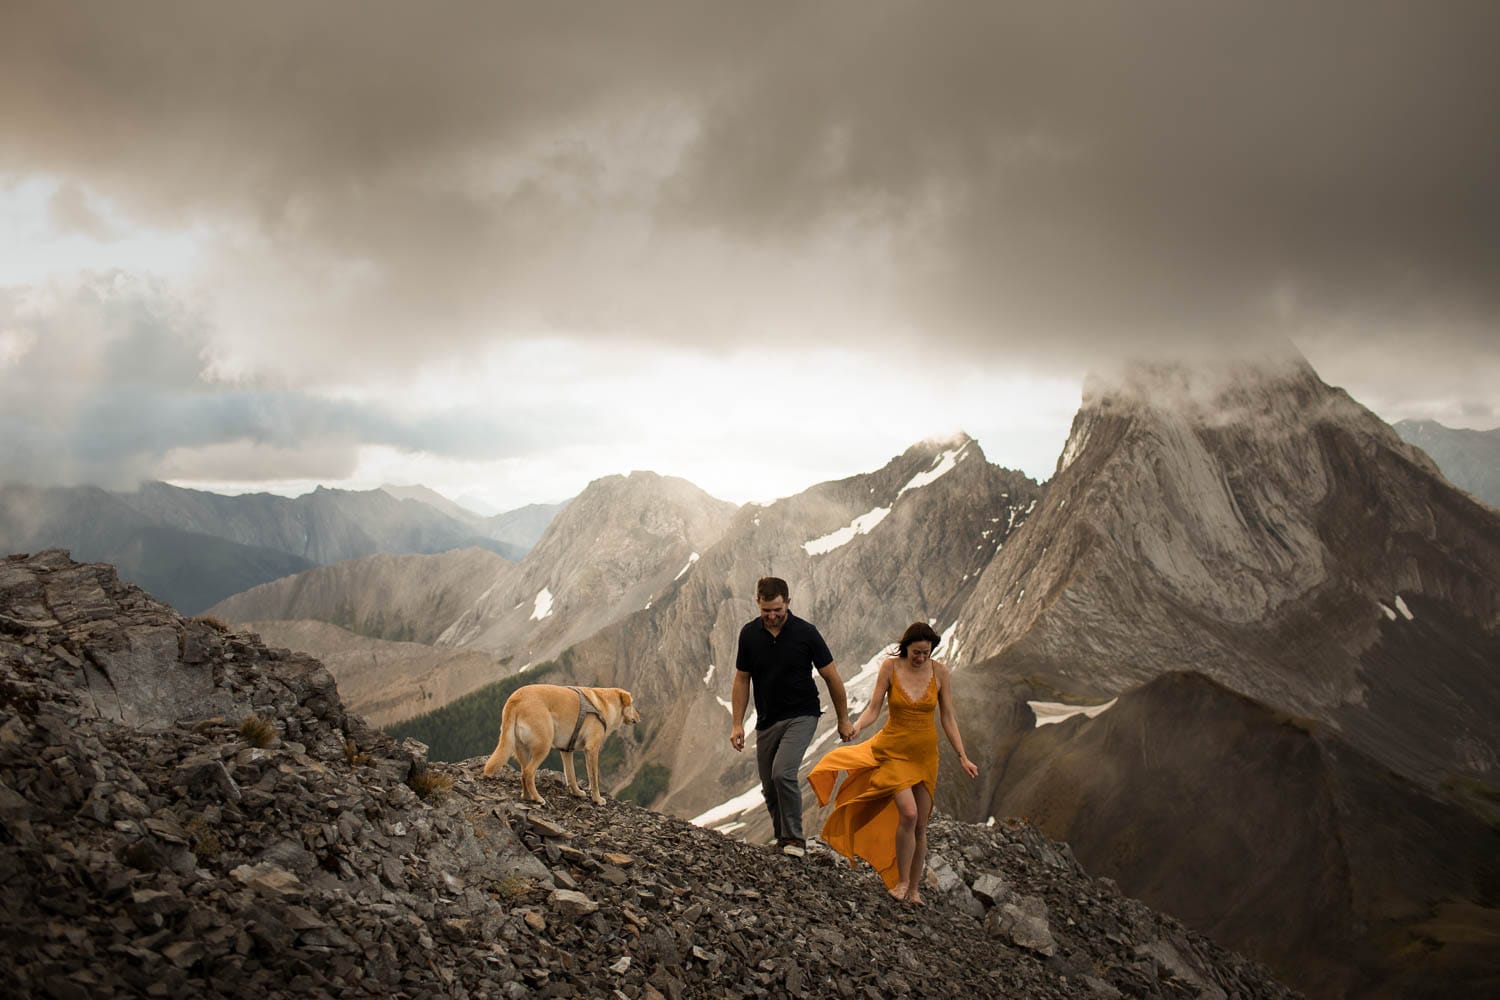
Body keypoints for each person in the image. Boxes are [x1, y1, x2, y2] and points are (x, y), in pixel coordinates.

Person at [808, 621, 979, 903]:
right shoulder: (890, 667)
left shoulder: (940, 672)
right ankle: (900, 882)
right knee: (909, 815)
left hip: (925, 756)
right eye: (916, 652)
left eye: (926, 652)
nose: (921, 658)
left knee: (921, 825)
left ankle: (913, 889)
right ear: (906, 647)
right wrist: (856, 727)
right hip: (892, 751)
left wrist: (962, 755)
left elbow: (948, 716)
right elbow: (874, 708)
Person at [730, 576, 855, 857]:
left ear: (788, 602)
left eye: (778, 610)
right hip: (767, 720)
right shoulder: (749, 635)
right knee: (769, 787)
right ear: (758, 604)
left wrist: (843, 719)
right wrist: (737, 723)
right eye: (766, 611)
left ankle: (795, 840)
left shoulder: (806, 633)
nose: (772, 616)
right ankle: (782, 840)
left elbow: (832, 677)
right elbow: (741, 680)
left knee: (782, 773)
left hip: (802, 714)